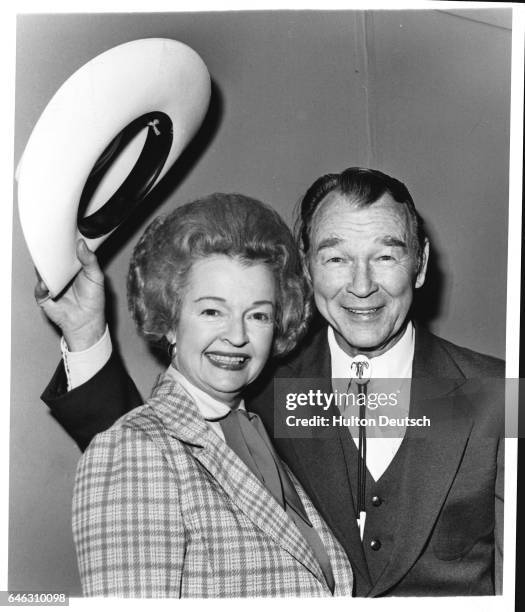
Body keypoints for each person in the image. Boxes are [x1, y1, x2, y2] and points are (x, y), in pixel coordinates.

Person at [39, 167, 504, 597]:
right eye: (336, 258)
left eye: (385, 255)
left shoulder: (493, 393)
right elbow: (159, 447)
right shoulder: (265, 380)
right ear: (306, 268)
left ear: (419, 265)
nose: (361, 286)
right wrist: (86, 335)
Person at [66, 193, 354, 597]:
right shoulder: (136, 448)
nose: (237, 336)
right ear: (169, 320)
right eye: (212, 311)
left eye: (258, 315)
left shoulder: (257, 435)